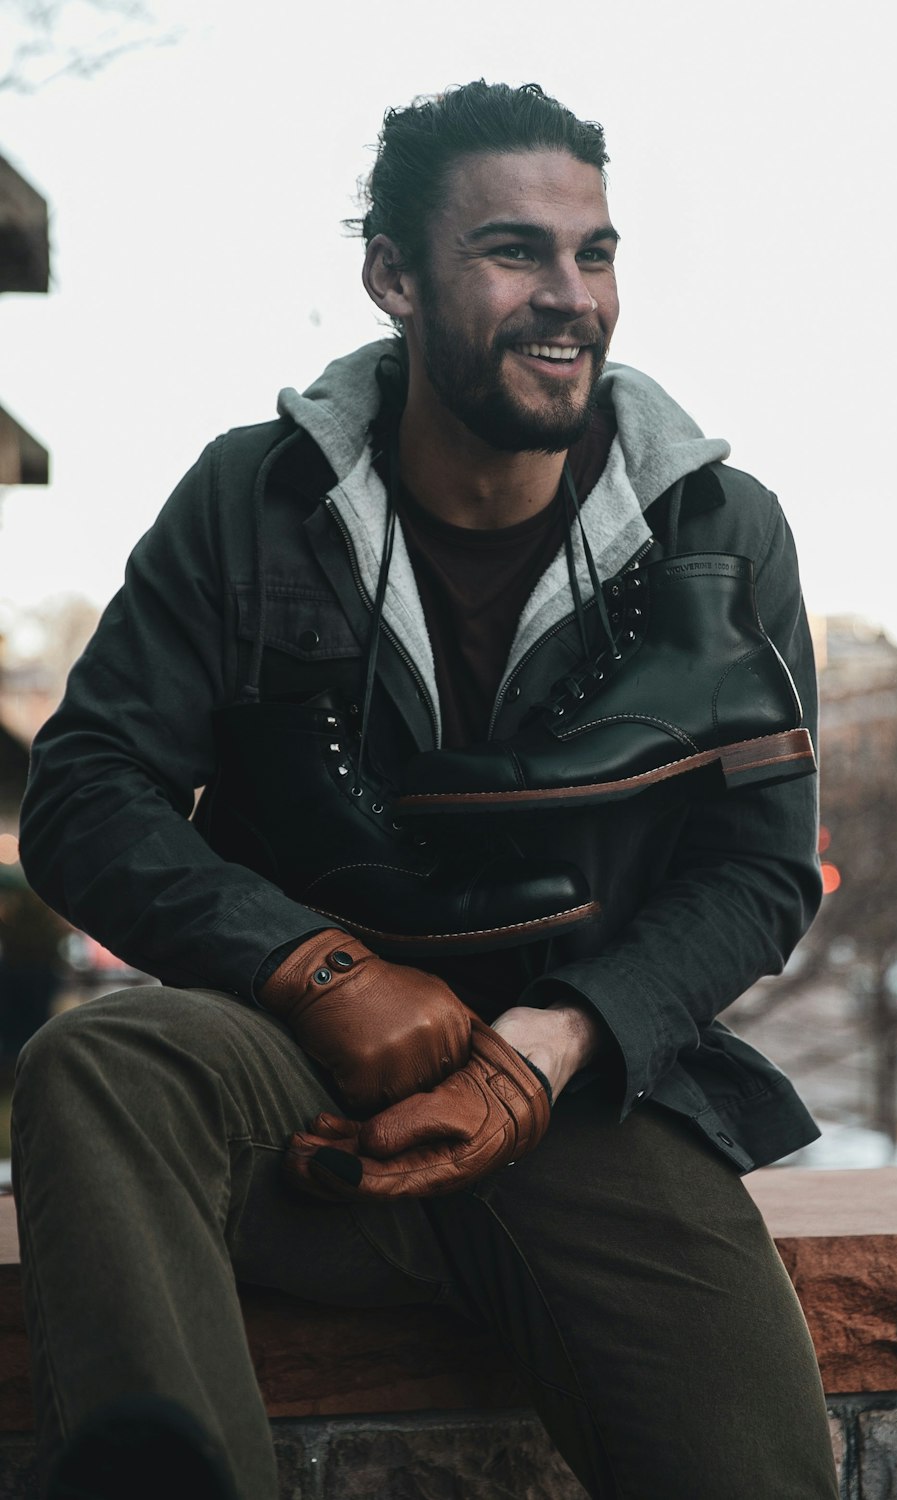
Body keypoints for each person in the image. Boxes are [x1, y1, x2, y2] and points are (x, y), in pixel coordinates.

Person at [13, 81, 840, 1500]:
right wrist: (316, 967)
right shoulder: (252, 496)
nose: (568, 296)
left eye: (595, 252)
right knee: (99, 1065)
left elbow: (759, 874)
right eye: (515, 251)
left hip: (590, 1101)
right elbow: (87, 793)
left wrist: (552, 1048)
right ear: (393, 276)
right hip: (295, 1084)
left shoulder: (720, 529)